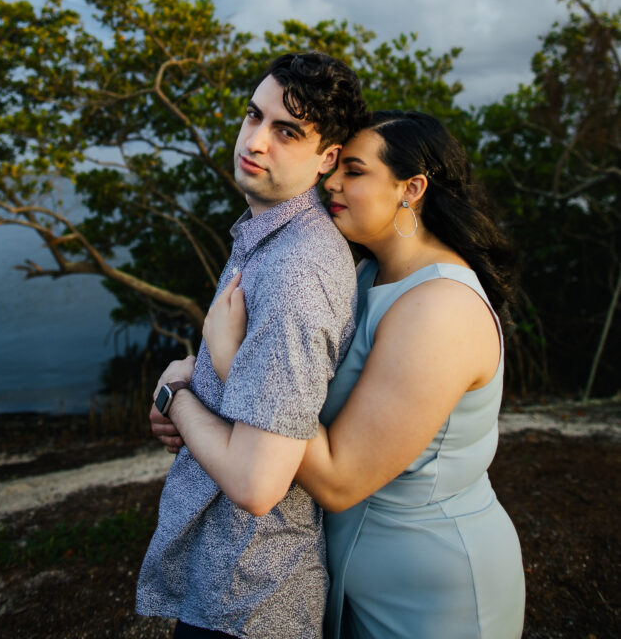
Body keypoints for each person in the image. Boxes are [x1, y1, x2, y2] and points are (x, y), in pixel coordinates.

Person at [167, 110, 526, 639]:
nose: (331, 181)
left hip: (429, 591)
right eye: (336, 166)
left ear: (413, 188)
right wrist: (189, 402)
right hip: (348, 572)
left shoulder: (441, 308)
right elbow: (298, 401)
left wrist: (233, 361)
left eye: (354, 171)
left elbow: (338, 477)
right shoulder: (365, 276)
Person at [136, 51, 369, 639]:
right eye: (252, 116)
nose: (255, 141)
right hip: (227, 585)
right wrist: (199, 398)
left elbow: (256, 484)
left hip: (251, 601)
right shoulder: (267, 231)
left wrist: (175, 398)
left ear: (327, 158)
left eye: (286, 131)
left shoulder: (298, 272)